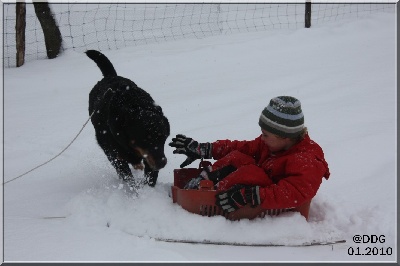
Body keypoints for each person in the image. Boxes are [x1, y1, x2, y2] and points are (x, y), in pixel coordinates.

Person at [169, 96, 330, 214]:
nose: (262, 138)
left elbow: (295, 193)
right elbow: (243, 148)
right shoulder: (271, 144)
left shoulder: (307, 160)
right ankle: (205, 181)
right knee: (238, 156)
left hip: (271, 202)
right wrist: (206, 149)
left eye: (266, 135)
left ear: (285, 136)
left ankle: (213, 196)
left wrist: (252, 196)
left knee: (252, 172)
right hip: (255, 188)